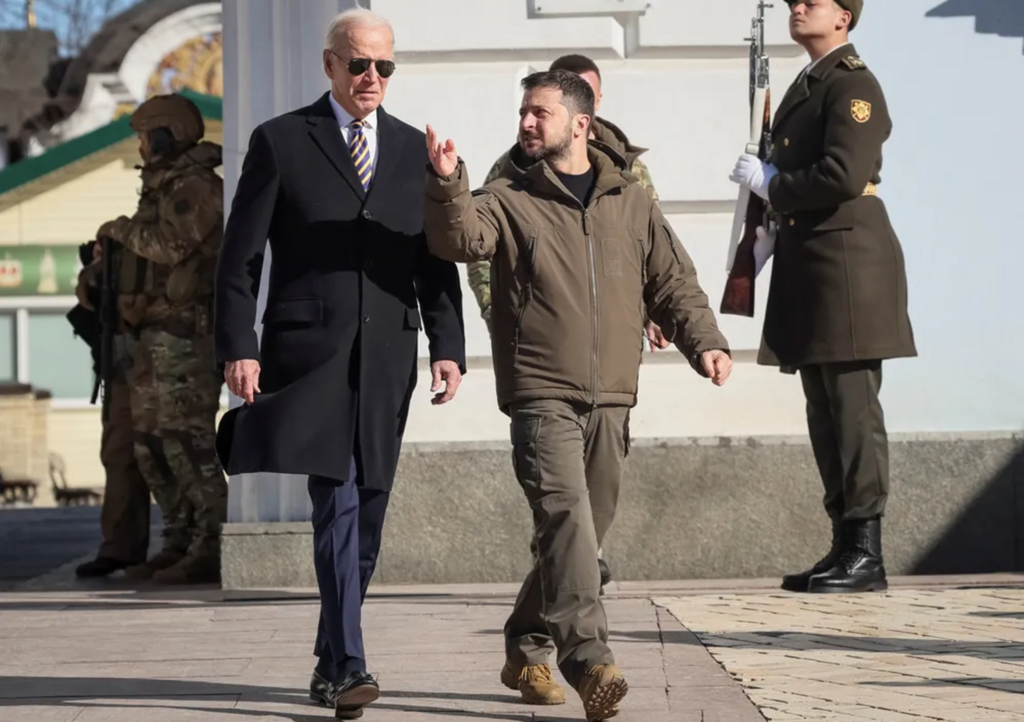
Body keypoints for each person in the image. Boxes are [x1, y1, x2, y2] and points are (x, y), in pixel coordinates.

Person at [423, 69, 732, 721]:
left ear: (580, 124)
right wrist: (449, 182)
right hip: (540, 392)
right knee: (564, 518)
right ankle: (590, 660)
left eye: (540, 113)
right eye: (523, 113)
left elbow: (673, 281)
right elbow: (459, 239)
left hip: (613, 395)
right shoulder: (509, 197)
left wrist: (703, 342)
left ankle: (528, 641)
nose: (526, 123)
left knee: (580, 538)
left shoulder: (631, 201)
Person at [212, 8, 466, 720]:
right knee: (340, 498)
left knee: (372, 507)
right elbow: (240, 260)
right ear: (329, 65)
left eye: (384, 66)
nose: (372, 78)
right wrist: (239, 345)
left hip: (389, 354)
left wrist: (448, 345)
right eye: (359, 65)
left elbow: (435, 260)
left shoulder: (417, 149)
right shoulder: (282, 141)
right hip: (310, 355)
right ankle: (352, 661)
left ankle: (330, 661)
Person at [728, 0, 916, 594]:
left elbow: (841, 172)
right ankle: (843, 542)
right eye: (792, 2)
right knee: (823, 410)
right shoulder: (806, 85)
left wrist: (774, 184)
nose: (797, 7)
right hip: (814, 263)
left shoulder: (853, 84)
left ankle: (867, 549)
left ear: (845, 16)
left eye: (812, 0)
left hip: (847, 264)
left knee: (853, 409)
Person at [468, 53, 666, 598]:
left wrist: (651, 313)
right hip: (543, 362)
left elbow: (650, 254)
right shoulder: (512, 174)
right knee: (561, 502)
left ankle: (540, 616)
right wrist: (503, 312)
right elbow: (479, 251)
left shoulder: (628, 173)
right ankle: (585, 644)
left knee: (594, 497)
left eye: (594, 95)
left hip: (611, 368)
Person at [94, 93, 227, 585]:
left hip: (188, 337)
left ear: (167, 134)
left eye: (146, 136)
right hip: (154, 336)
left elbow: (171, 247)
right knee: (151, 444)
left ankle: (211, 542)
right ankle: (179, 538)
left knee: (187, 442)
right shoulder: (160, 189)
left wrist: (119, 229)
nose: (142, 146)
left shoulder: (196, 187)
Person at [70, 240, 152, 579]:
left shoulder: (158, 244)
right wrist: (101, 266)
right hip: (123, 367)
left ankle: (192, 543)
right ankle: (120, 546)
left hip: (166, 365)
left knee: (170, 457)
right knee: (119, 454)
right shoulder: (121, 246)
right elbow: (87, 297)